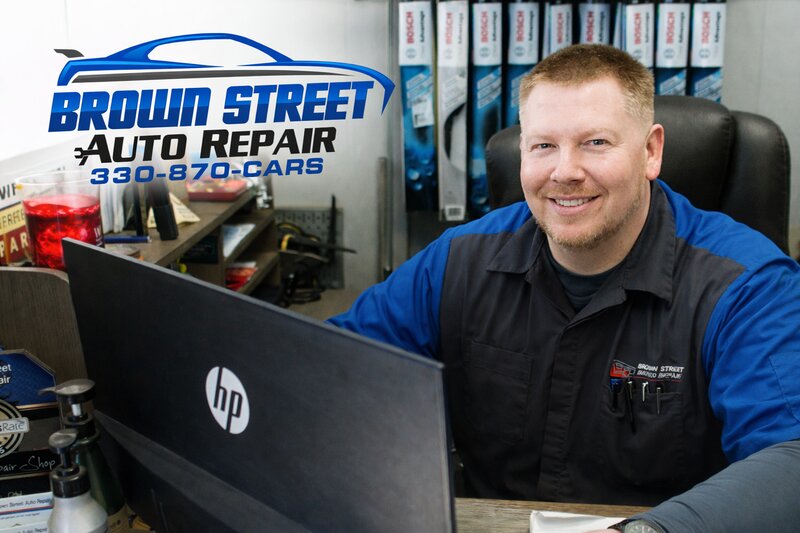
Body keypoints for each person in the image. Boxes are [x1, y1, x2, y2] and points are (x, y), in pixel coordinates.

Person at [329, 44, 800, 532]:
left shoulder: (747, 285)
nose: (565, 171)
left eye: (596, 142)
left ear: (650, 151)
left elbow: (792, 457)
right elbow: (330, 366)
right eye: (543, 146)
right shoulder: (458, 260)